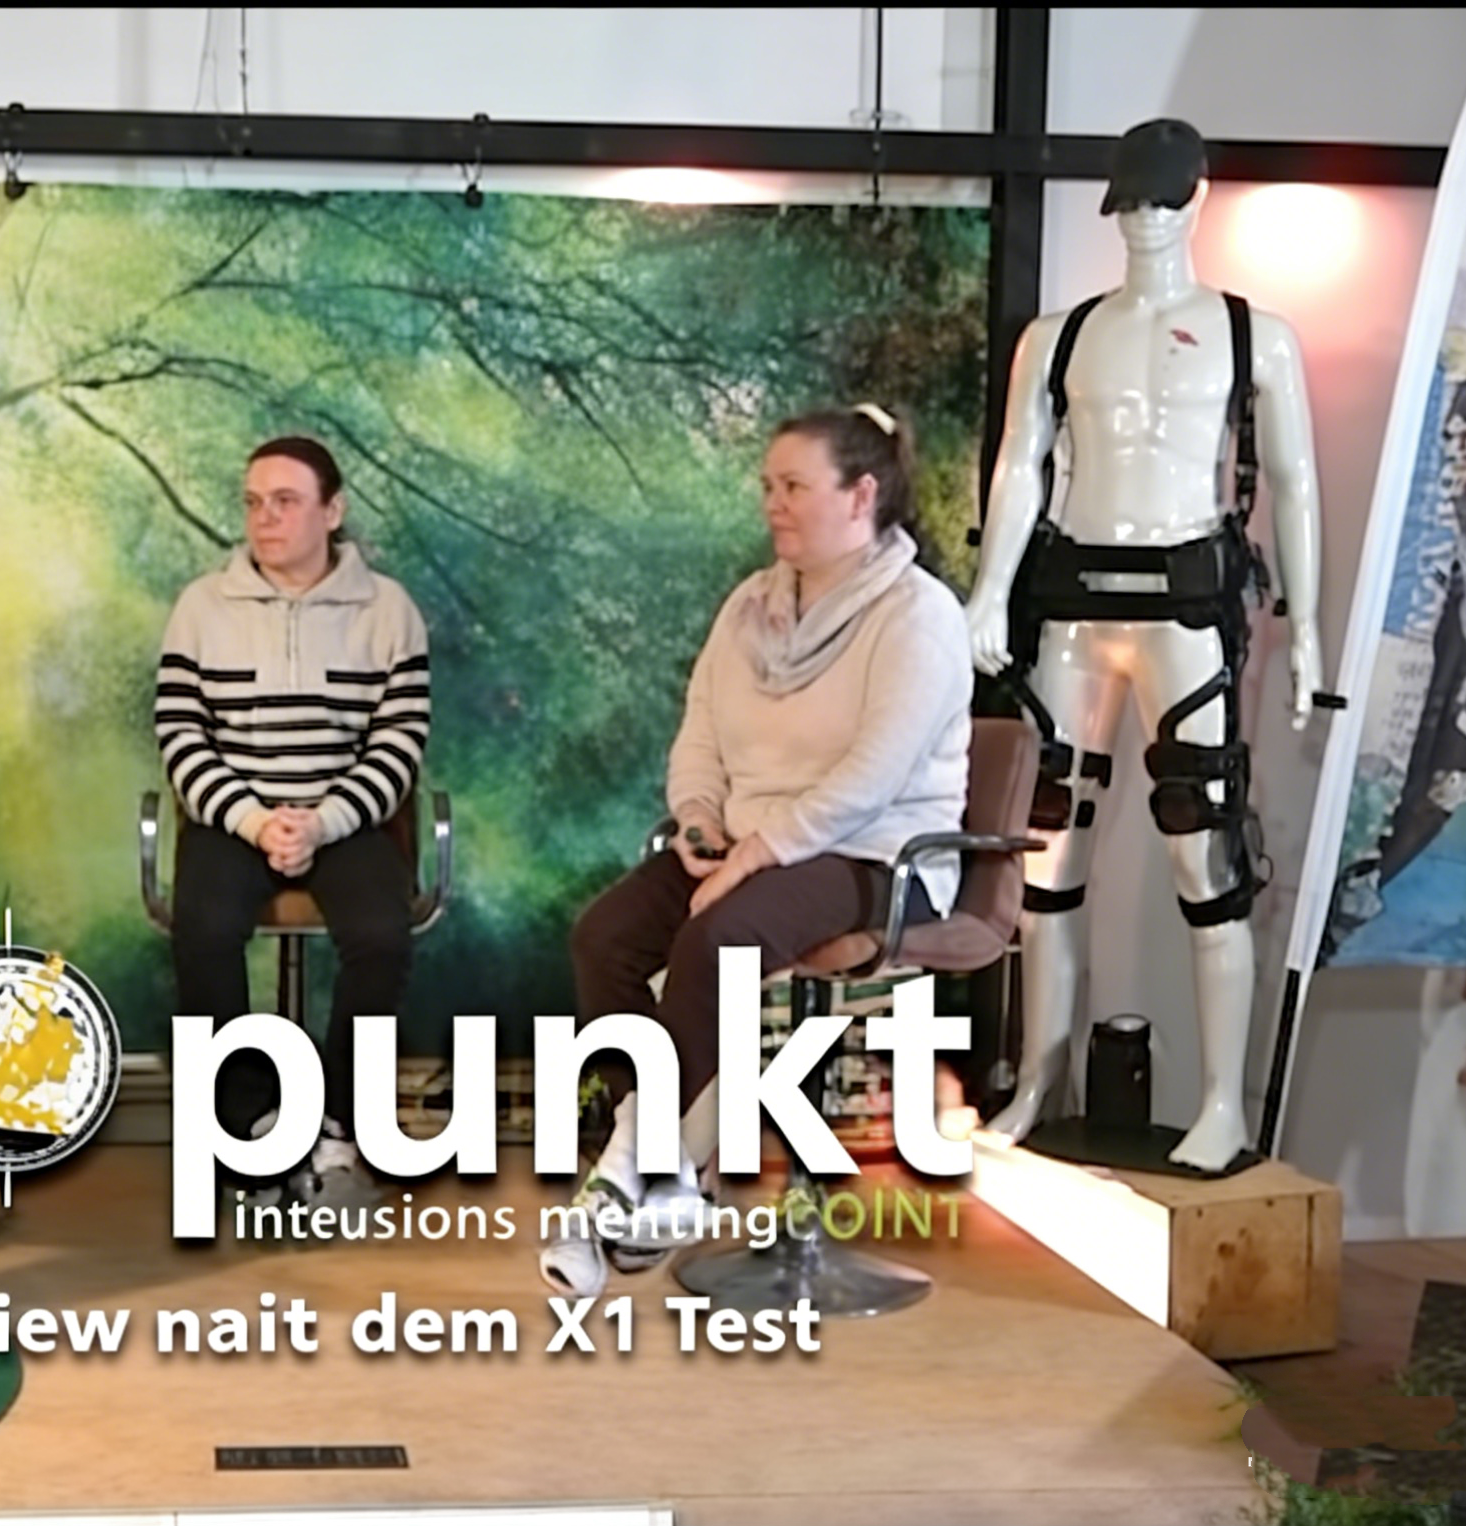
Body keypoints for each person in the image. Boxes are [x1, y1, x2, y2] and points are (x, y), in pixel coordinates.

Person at [545, 405, 972, 1296]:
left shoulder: (919, 615)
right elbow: (701, 733)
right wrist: (700, 818)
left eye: (793, 486)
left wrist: (753, 856)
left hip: (875, 854)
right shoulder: (750, 605)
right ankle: (670, 1168)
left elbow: (873, 776)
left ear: (860, 495)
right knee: (604, 938)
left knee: (717, 940)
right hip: (748, 842)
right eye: (768, 486)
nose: (772, 503)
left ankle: (631, 1172)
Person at [965, 119, 1323, 1172]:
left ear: (1198, 195)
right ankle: (1041, 1078)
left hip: (1186, 608)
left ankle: (1221, 1103)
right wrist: (989, 592)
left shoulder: (1255, 337)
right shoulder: (1057, 337)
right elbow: (1019, 467)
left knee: (1202, 846)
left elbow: (1295, 483)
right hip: (1073, 606)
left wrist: (1309, 632)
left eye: (1163, 198)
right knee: (1047, 846)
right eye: (1130, 200)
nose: (1146, 219)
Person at [154, 436, 431, 1206]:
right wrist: (252, 821)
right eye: (253, 502)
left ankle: (338, 1124)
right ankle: (248, 1127)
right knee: (204, 929)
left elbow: (400, 743)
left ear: (332, 512)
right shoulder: (201, 607)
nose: (264, 518)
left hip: (346, 817)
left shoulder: (389, 610)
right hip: (231, 817)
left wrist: (323, 823)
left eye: (285, 501)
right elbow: (180, 735)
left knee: (381, 935)